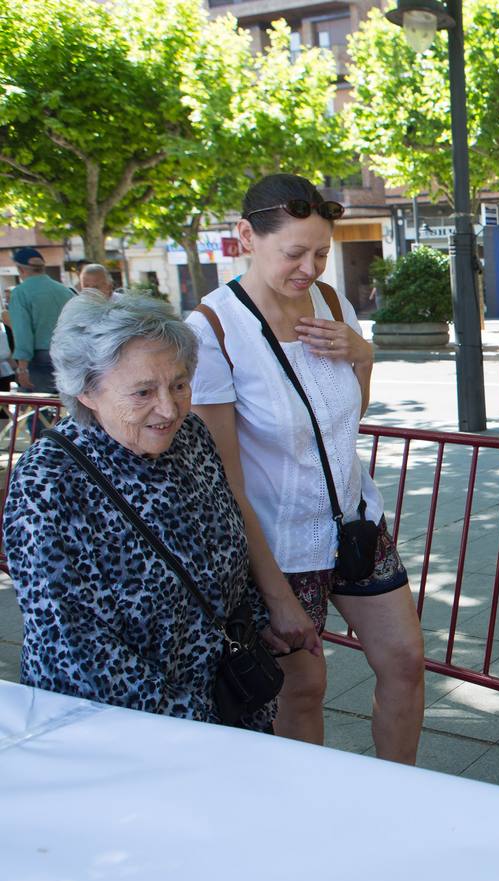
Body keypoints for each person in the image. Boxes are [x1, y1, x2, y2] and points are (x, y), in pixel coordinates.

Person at [186, 174, 425, 763]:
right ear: (246, 236)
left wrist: (363, 355)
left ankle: (402, 801)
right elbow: (227, 483)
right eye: (295, 252)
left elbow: (349, 415)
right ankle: (309, 824)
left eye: (321, 252)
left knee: (405, 662)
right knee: (304, 688)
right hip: (278, 545)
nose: (311, 267)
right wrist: (278, 597)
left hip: (354, 522)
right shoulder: (213, 330)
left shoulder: (333, 304)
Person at [3, 293, 273, 730]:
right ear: (87, 392)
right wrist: (191, 722)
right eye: (144, 391)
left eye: (180, 384)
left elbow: (224, 554)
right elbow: (74, 644)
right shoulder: (49, 480)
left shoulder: (190, 437)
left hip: (222, 707)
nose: (168, 409)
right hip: (120, 729)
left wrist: (256, 623)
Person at [8, 247, 74, 393]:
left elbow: (22, 332)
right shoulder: (65, 291)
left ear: (20, 269)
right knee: (65, 404)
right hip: (69, 354)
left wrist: (22, 367)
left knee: (41, 407)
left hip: (40, 357)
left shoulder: (21, 292)